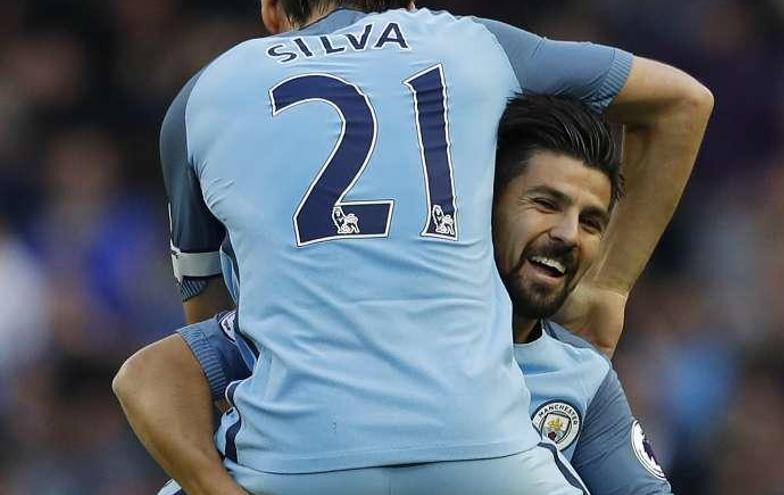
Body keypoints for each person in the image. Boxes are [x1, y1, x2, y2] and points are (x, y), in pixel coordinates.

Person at [130, 0, 712, 492]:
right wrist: (608, 288)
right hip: (490, 457)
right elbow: (685, 101)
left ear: (271, 10)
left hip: (293, 463)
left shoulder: (205, 93)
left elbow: (200, 350)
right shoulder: (470, 44)